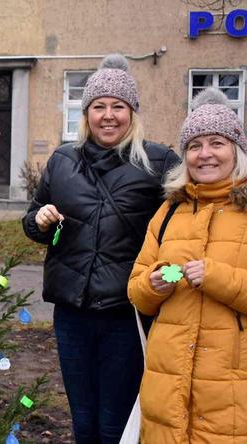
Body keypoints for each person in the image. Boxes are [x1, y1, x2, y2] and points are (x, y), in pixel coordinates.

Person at [22, 54, 179, 443]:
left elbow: (188, 230)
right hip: (71, 314)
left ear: (132, 113)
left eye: (118, 107)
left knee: (115, 422)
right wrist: (39, 221)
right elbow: (32, 220)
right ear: (86, 113)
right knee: (83, 420)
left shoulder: (159, 162)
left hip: (126, 316)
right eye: (99, 107)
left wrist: (171, 275)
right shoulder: (62, 161)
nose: (108, 116)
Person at [128, 88, 247, 443]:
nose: (204, 154)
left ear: (236, 150)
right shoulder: (167, 212)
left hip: (232, 392)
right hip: (167, 386)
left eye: (216, 143)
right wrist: (153, 285)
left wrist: (216, 277)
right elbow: (136, 291)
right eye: (194, 145)